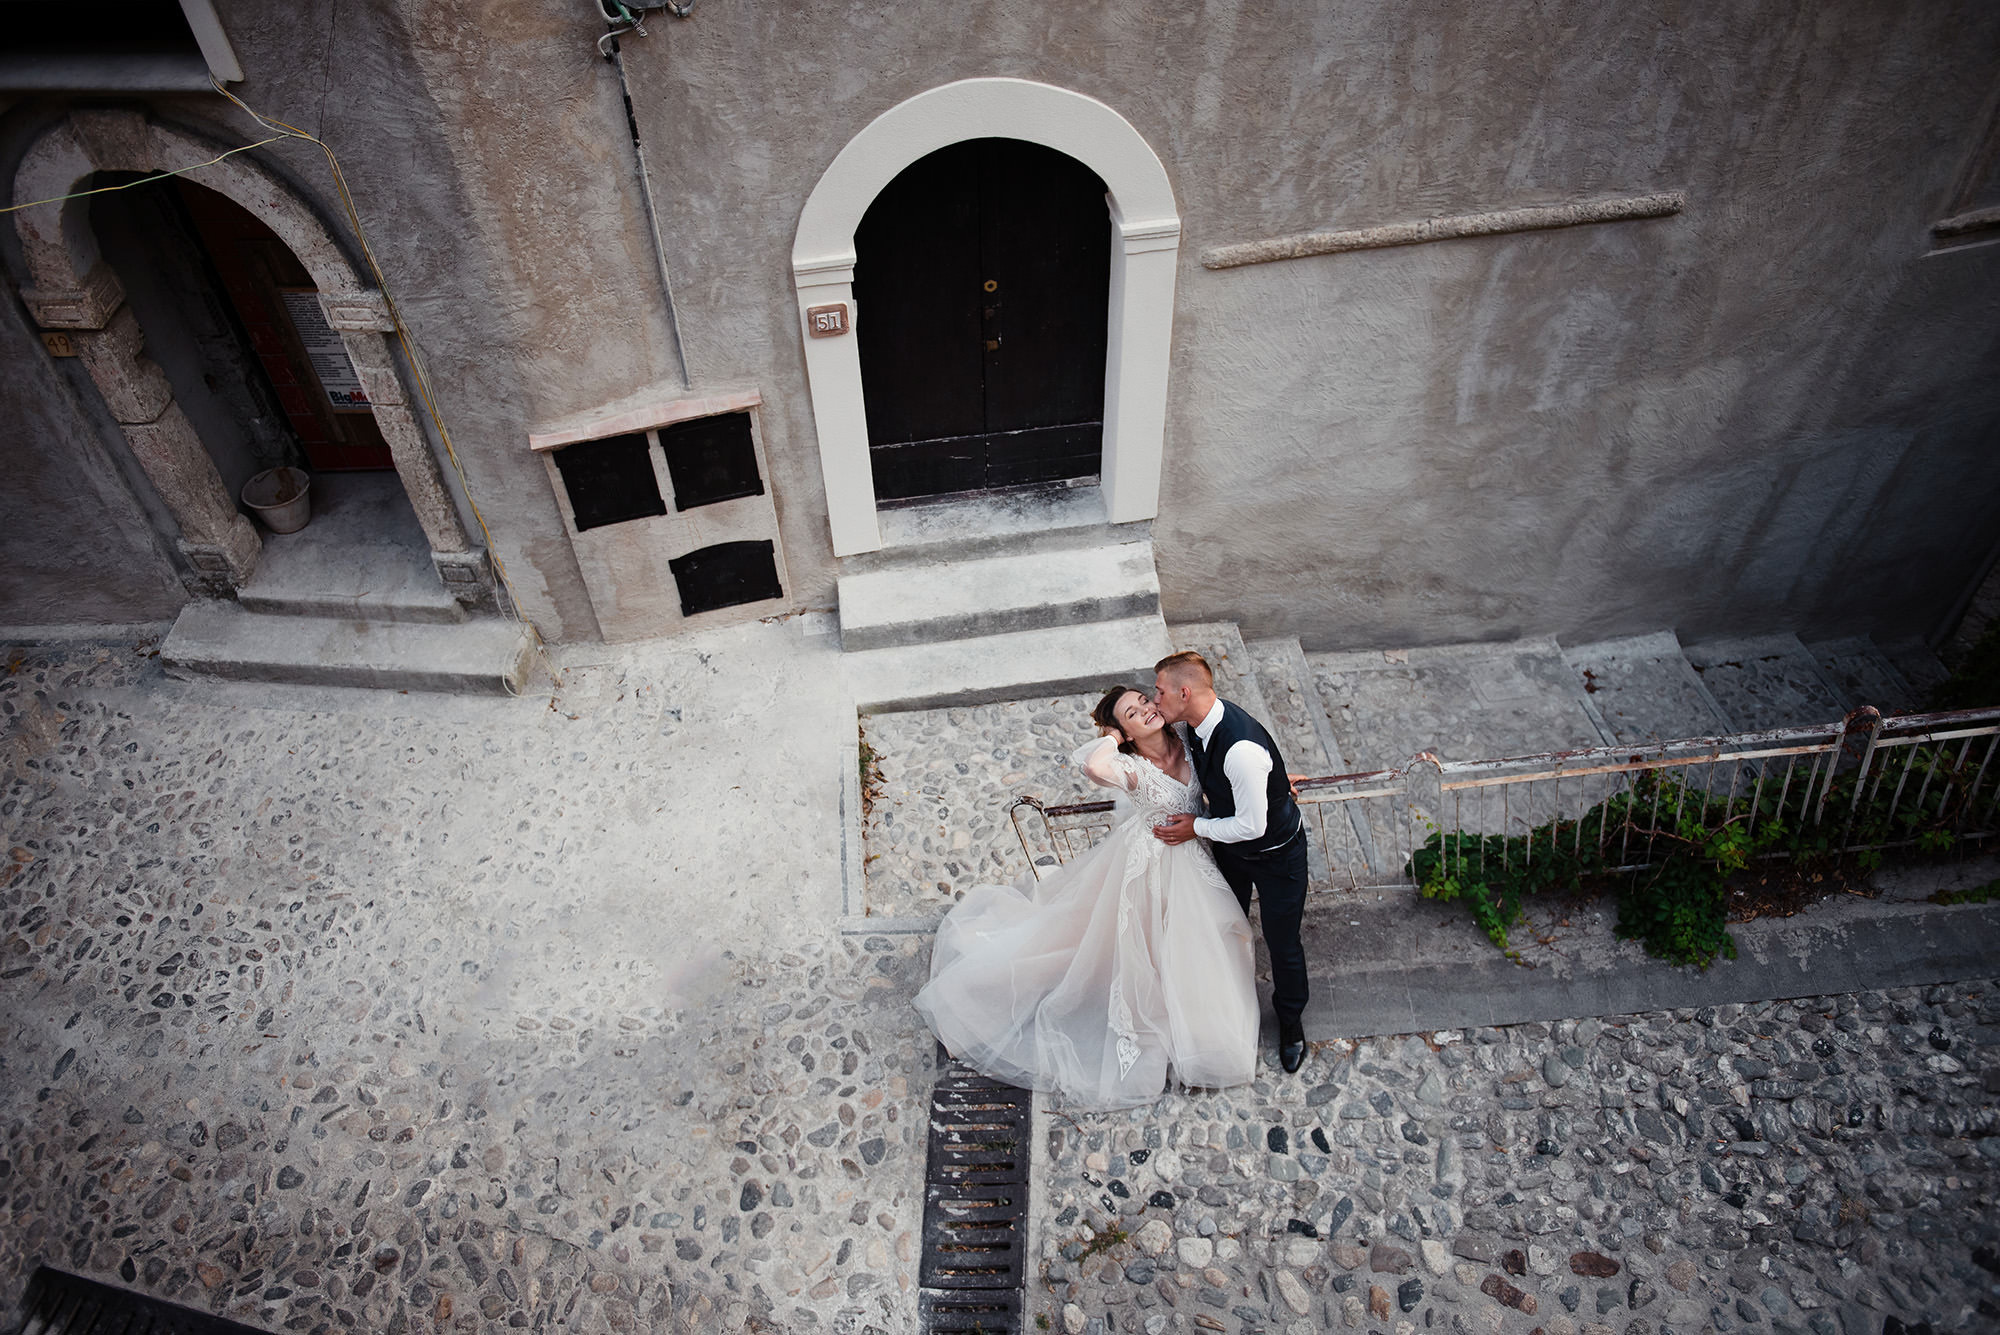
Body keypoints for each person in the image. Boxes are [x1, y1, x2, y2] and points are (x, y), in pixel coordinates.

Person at [912, 685, 1258, 1109]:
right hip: (1153, 864)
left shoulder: (1185, 737)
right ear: (1125, 732)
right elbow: (1094, 766)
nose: (1148, 710)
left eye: (1146, 701)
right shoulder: (1131, 766)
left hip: (1196, 855)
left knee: (1205, 938)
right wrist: (1114, 736)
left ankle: (1204, 1023)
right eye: (1134, 713)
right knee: (1146, 947)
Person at [1150, 650, 1312, 1073]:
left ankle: (1291, 1023)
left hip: (1277, 856)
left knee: (1283, 943)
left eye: (1159, 691)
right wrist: (1270, 778)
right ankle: (1226, 1009)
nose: (1155, 701)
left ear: (1184, 693)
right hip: (1232, 852)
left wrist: (1196, 828)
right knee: (1223, 926)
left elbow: (1252, 825)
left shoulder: (1240, 748)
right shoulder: (1194, 727)